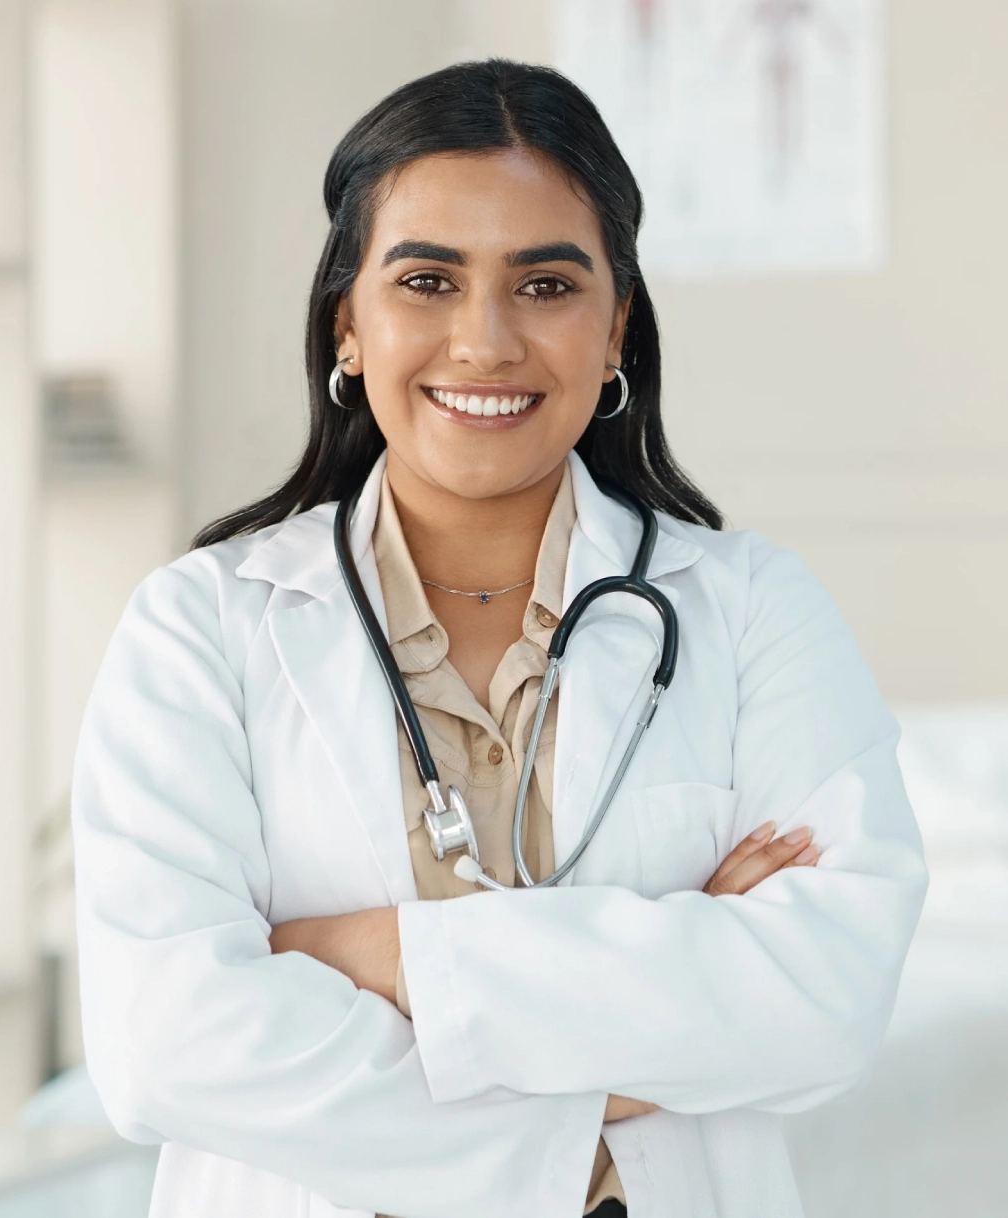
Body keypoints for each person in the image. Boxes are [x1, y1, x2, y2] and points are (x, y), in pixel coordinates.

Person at [71, 59, 928, 1218]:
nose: (484, 342)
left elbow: (825, 999)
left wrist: (372, 954)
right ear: (349, 326)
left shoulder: (753, 610)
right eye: (427, 280)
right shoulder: (199, 629)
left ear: (615, 328)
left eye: (546, 285)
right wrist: (629, 1058)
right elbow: (163, 1044)